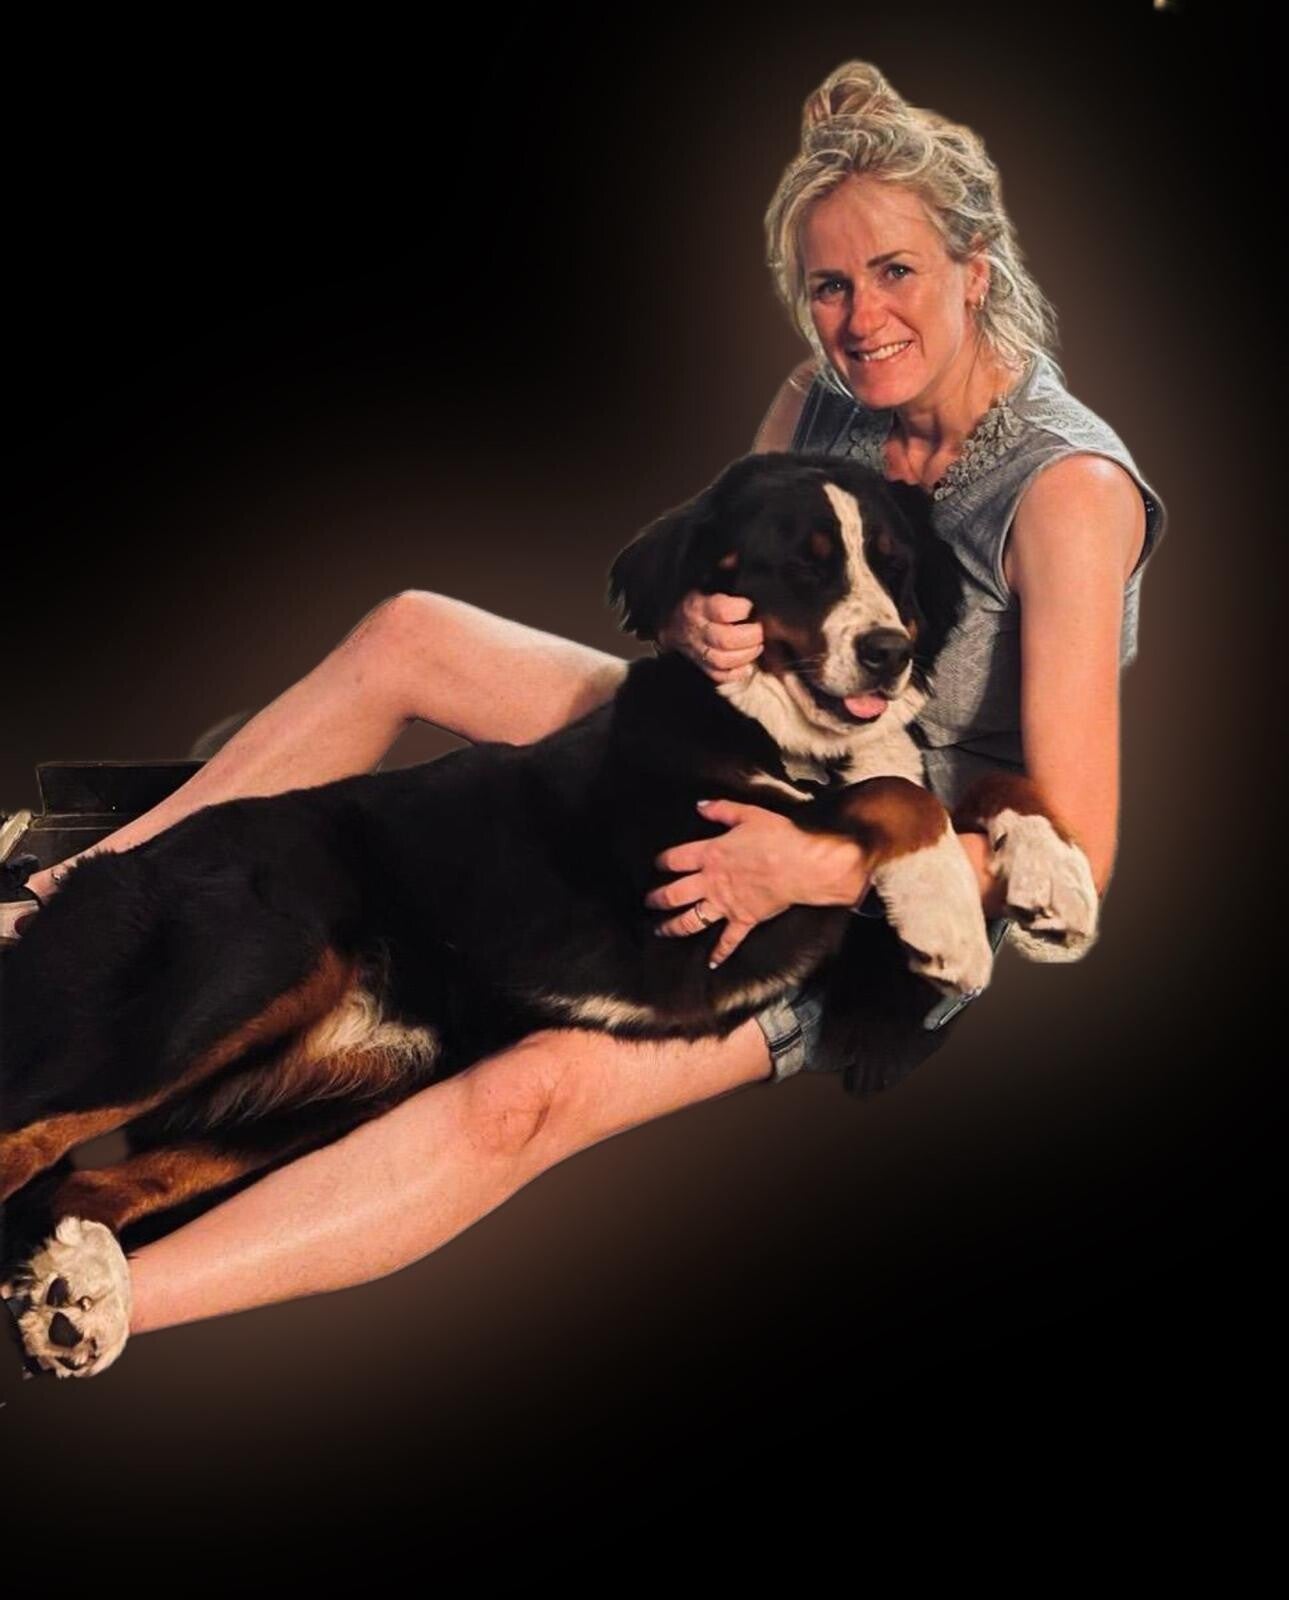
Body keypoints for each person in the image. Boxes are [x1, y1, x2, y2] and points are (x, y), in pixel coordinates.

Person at [1, 60, 1166, 1359]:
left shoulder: (1066, 492)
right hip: (754, 740)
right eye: (829, 285)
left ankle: (108, 1299)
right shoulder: (823, 392)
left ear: (974, 267)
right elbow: (719, 575)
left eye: (893, 273)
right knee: (414, 630)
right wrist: (695, 625)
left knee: (529, 1094)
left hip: (894, 879)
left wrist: (813, 863)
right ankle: (78, 888)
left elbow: (1076, 851)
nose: (859, 317)